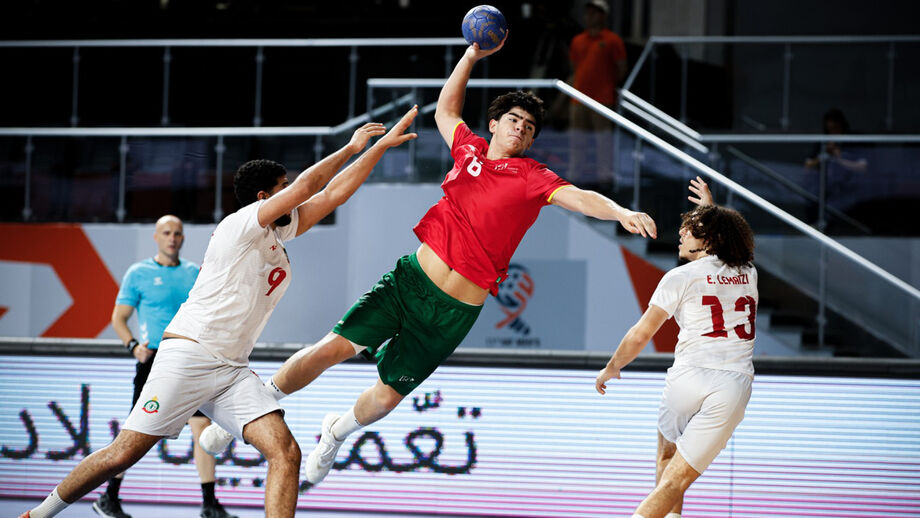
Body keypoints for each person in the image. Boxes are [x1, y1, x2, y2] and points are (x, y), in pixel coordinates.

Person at [198, 35, 657, 488]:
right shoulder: (468, 149)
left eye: (530, 127)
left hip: (453, 313)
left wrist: (620, 211)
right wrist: (471, 55)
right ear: (494, 125)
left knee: (384, 401)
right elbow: (446, 110)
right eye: (514, 120)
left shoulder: (533, 177)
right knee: (331, 349)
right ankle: (248, 410)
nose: (521, 128)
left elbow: (579, 197)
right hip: (410, 283)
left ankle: (335, 432)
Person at [18, 107, 419, 518]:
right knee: (122, 455)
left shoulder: (277, 233)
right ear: (265, 198)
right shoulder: (241, 224)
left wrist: (380, 148)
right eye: (282, 187)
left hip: (231, 370)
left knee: (286, 452)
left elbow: (332, 194)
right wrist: (350, 146)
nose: (291, 192)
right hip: (189, 357)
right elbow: (309, 186)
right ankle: (40, 513)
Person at [595, 176, 758, 518]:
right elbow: (722, 241)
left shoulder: (679, 277)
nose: (682, 233)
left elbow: (641, 334)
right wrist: (709, 212)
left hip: (688, 377)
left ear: (709, 239)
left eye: (690, 229)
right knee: (676, 480)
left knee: (666, 461)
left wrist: (613, 366)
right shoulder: (748, 272)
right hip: (732, 385)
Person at [91, 214, 236, 518]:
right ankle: (109, 497)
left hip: (192, 359)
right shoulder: (138, 273)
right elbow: (118, 318)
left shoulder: (194, 273)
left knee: (202, 429)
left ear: (183, 238)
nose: (173, 237)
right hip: (156, 361)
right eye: (167, 232)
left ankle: (209, 504)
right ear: (156, 237)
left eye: (178, 233)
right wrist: (134, 346)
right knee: (137, 433)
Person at [567, 0, 627, 185]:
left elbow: (621, 68)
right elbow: (574, 67)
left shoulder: (612, 40)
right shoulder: (578, 40)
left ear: (603, 15)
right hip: (579, 99)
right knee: (577, 140)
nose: (589, 16)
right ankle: (575, 178)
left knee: (604, 142)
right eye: (588, 13)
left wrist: (607, 85)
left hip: (603, 99)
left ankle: (605, 178)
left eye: (594, 13)